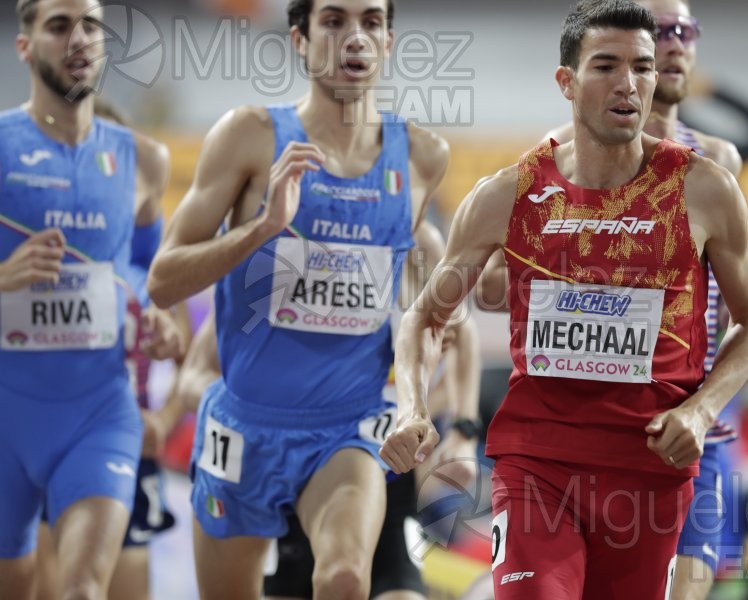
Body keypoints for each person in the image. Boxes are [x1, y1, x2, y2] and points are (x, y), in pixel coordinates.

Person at [380, 2, 748, 599]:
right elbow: (426, 316)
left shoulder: (704, 189)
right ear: (566, 82)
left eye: (641, 67)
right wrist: (412, 407)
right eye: (606, 66)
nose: (628, 83)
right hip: (538, 464)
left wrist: (701, 410)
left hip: (650, 468)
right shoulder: (509, 193)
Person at [146, 0, 450, 597]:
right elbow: (163, 279)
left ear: (389, 41)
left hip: (348, 425)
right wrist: (261, 227)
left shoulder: (420, 156)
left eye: (370, 22)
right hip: (242, 426)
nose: (354, 37)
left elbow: (416, 316)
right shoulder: (250, 135)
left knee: (342, 578)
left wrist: (416, 403)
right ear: (300, 40)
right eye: (334, 22)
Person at [477, 2, 745, 597]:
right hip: (556, 443)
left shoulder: (714, 168)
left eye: (682, 33)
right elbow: (492, 285)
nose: (672, 46)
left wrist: (700, 405)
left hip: (676, 435)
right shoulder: (546, 170)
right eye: (660, 32)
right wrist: (568, 282)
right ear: (573, 78)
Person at [169, 223, 479, 600]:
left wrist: (444, 422)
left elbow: (464, 336)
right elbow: (193, 378)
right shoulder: (277, 254)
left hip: (384, 480)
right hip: (282, 483)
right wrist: (255, 407)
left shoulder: (415, 242)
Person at [1, 1, 180, 598]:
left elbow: (150, 281)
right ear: (25, 46)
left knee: (81, 589)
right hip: (7, 413)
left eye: (90, 25)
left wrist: (161, 325)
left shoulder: (145, 162)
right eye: (58, 26)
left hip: (99, 413)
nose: (77, 38)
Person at [32, 100, 186, 600]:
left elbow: (197, 356)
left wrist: (164, 418)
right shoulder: (28, 252)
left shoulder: (148, 270)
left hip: (122, 449)